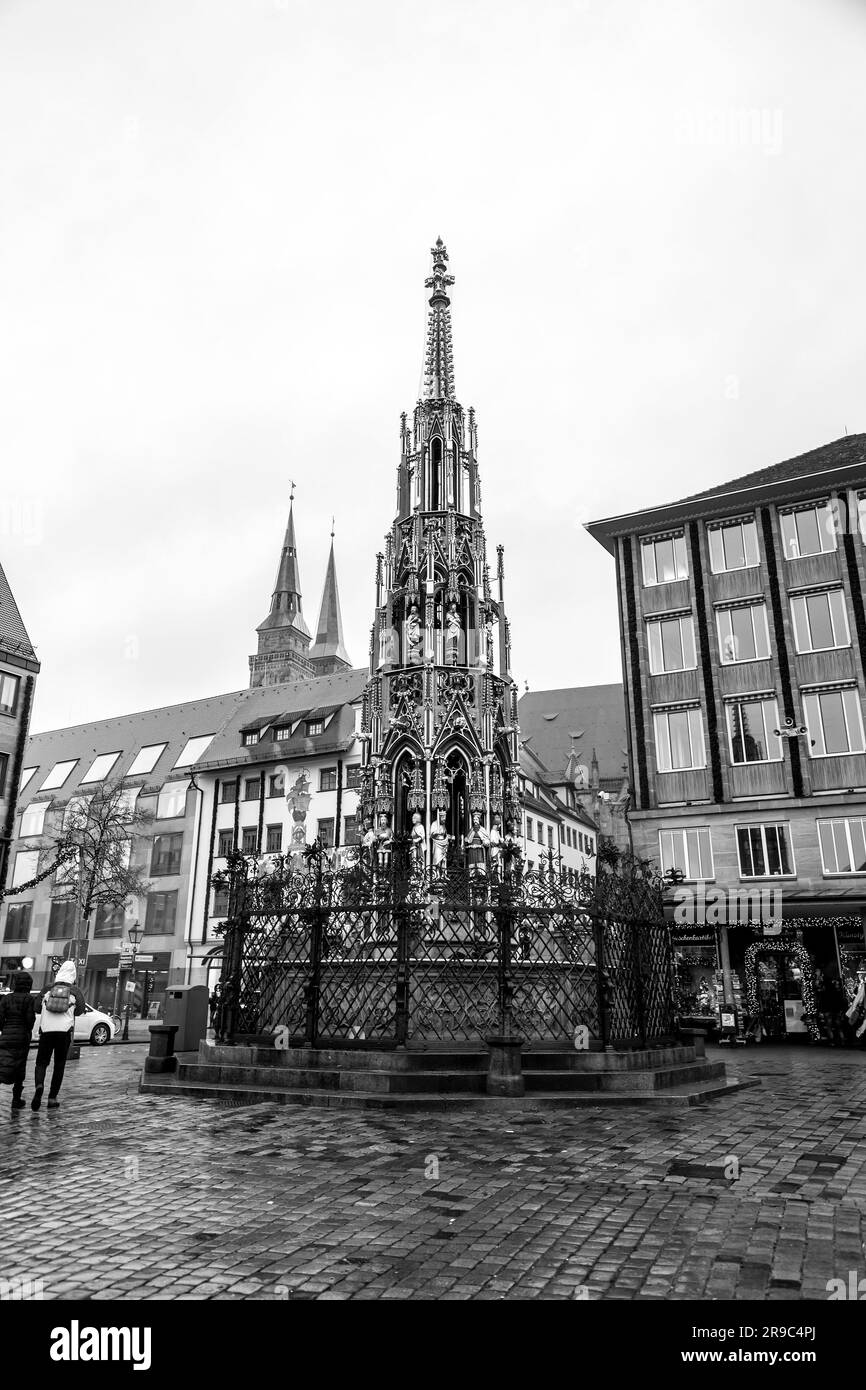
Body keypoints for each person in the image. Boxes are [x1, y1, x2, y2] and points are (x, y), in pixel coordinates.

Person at [31, 961, 86, 1111]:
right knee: (59, 1065)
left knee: (41, 1062)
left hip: (46, 1031)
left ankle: (39, 1085)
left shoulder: (48, 988)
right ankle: (52, 1098)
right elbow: (80, 1010)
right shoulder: (75, 990)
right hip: (64, 1033)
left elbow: (36, 1008)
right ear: (73, 974)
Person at [0, 971, 36, 1111]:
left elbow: (0, 1018)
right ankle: (16, 1100)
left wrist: (5, 1029)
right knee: (19, 1067)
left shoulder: (6, 999)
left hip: (6, 1036)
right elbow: (30, 1020)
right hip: (21, 1037)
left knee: (2, 1063)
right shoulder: (29, 999)